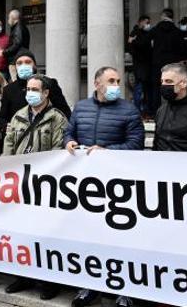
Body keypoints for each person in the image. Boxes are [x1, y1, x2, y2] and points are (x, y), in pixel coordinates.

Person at [64, 67, 143, 307]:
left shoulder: (129, 110)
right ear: (97, 83)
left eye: (117, 81)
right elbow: (69, 132)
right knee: (89, 236)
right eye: (111, 81)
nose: (116, 85)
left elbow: (136, 144)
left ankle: (125, 291)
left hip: (117, 186)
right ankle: (89, 287)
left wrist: (107, 152)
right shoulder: (81, 107)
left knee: (119, 238)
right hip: (87, 186)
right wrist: (69, 142)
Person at [0, 74, 67, 300]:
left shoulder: (57, 118)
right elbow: (8, 148)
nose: (30, 92)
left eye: (35, 89)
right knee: (22, 231)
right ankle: (23, 275)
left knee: (46, 233)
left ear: (46, 93)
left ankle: (49, 281)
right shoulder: (18, 116)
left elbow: (58, 151)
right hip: (20, 183)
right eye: (28, 88)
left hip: (45, 184)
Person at [0, 51, 71, 135]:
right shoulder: (9, 89)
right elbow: (1, 118)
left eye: (28, 62)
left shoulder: (49, 84)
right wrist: (6, 126)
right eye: (19, 63)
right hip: (20, 136)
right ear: (15, 67)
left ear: (34, 65)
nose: (23, 65)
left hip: (46, 135)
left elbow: (64, 111)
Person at [148, 8, 180, 114]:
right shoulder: (177, 31)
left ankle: (155, 111)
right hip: (172, 63)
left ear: (163, 16)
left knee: (156, 87)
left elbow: (145, 42)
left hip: (157, 62)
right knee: (172, 85)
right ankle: (172, 110)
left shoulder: (156, 29)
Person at [127, 15, 153, 117]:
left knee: (144, 90)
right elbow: (133, 49)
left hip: (144, 66)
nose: (148, 25)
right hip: (141, 66)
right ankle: (138, 111)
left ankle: (144, 111)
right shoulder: (136, 33)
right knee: (139, 90)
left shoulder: (143, 33)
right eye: (146, 22)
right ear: (141, 22)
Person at [2, 8, 30, 78]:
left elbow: (17, 44)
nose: (8, 20)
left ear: (13, 18)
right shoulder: (21, 27)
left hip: (15, 61)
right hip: (20, 58)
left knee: (16, 82)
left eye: (9, 18)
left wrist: (4, 52)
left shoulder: (18, 28)